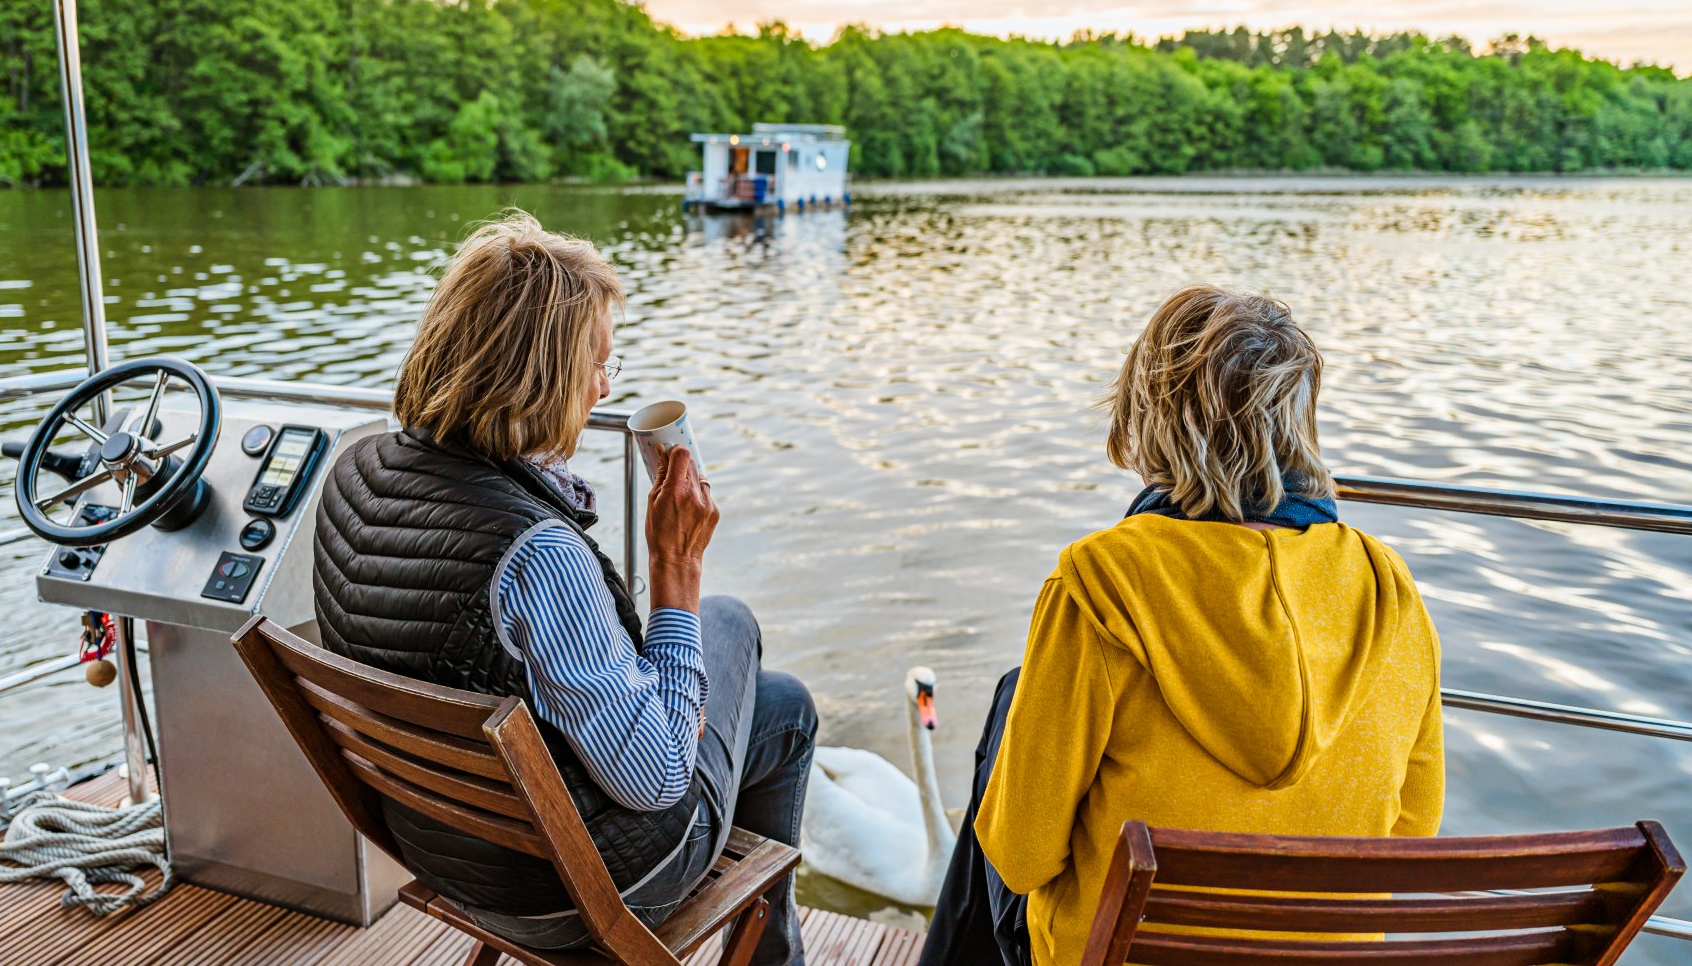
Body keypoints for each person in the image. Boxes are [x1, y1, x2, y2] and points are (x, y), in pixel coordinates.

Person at [313, 211, 815, 965]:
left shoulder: (353, 474)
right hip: (570, 888)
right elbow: (659, 779)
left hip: (442, 844)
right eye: (596, 365)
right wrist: (674, 571)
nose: (604, 388)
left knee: (777, 709)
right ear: (536, 376)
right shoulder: (534, 555)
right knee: (728, 622)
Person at [920, 286, 1444, 966]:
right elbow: (1413, 829)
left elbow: (1021, 858)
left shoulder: (1101, 582)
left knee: (1014, 700)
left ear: (1154, 417)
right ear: (1298, 418)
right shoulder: (1387, 587)